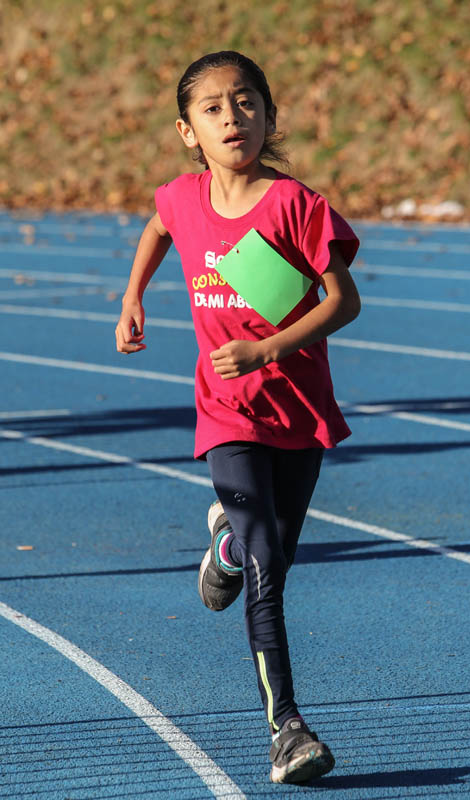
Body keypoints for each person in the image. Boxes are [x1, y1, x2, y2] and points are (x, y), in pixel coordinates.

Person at [115, 50, 361, 784]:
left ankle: (225, 544)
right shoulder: (183, 198)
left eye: (247, 102)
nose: (233, 118)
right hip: (227, 412)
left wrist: (269, 349)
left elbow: (344, 302)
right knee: (267, 571)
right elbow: (158, 226)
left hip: (297, 407)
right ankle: (288, 729)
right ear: (187, 130)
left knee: (273, 553)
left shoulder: (295, 206)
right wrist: (133, 296)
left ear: (269, 116)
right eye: (213, 107)